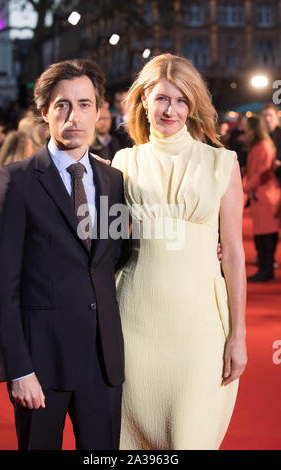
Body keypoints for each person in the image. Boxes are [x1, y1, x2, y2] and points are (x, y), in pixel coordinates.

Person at [0, 58, 127, 450]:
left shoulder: (113, 181)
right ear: (45, 111)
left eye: (84, 104)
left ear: (99, 112)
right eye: (62, 104)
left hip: (103, 365)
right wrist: (18, 369)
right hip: (41, 367)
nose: (73, 116)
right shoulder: (16, 181)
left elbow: (116, 256)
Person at [111, 53, 247, 450]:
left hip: (201, 326)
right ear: (143, 102)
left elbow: (235, 254)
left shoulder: (221, 163)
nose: (171, 110)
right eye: (161, 99)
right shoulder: (124, 162)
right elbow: (108, 241)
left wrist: (239, 335)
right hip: (133, 321)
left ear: (193, 106)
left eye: (182, 100)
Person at [243, 115, 280, 282]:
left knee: (266, 236)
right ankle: (264, 269)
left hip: (265, 195)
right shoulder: (259, 145)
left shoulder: (263, 146)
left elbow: (263, 172)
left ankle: (266, 270)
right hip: (260, 195)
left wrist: (247, 187)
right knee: (261, 236)